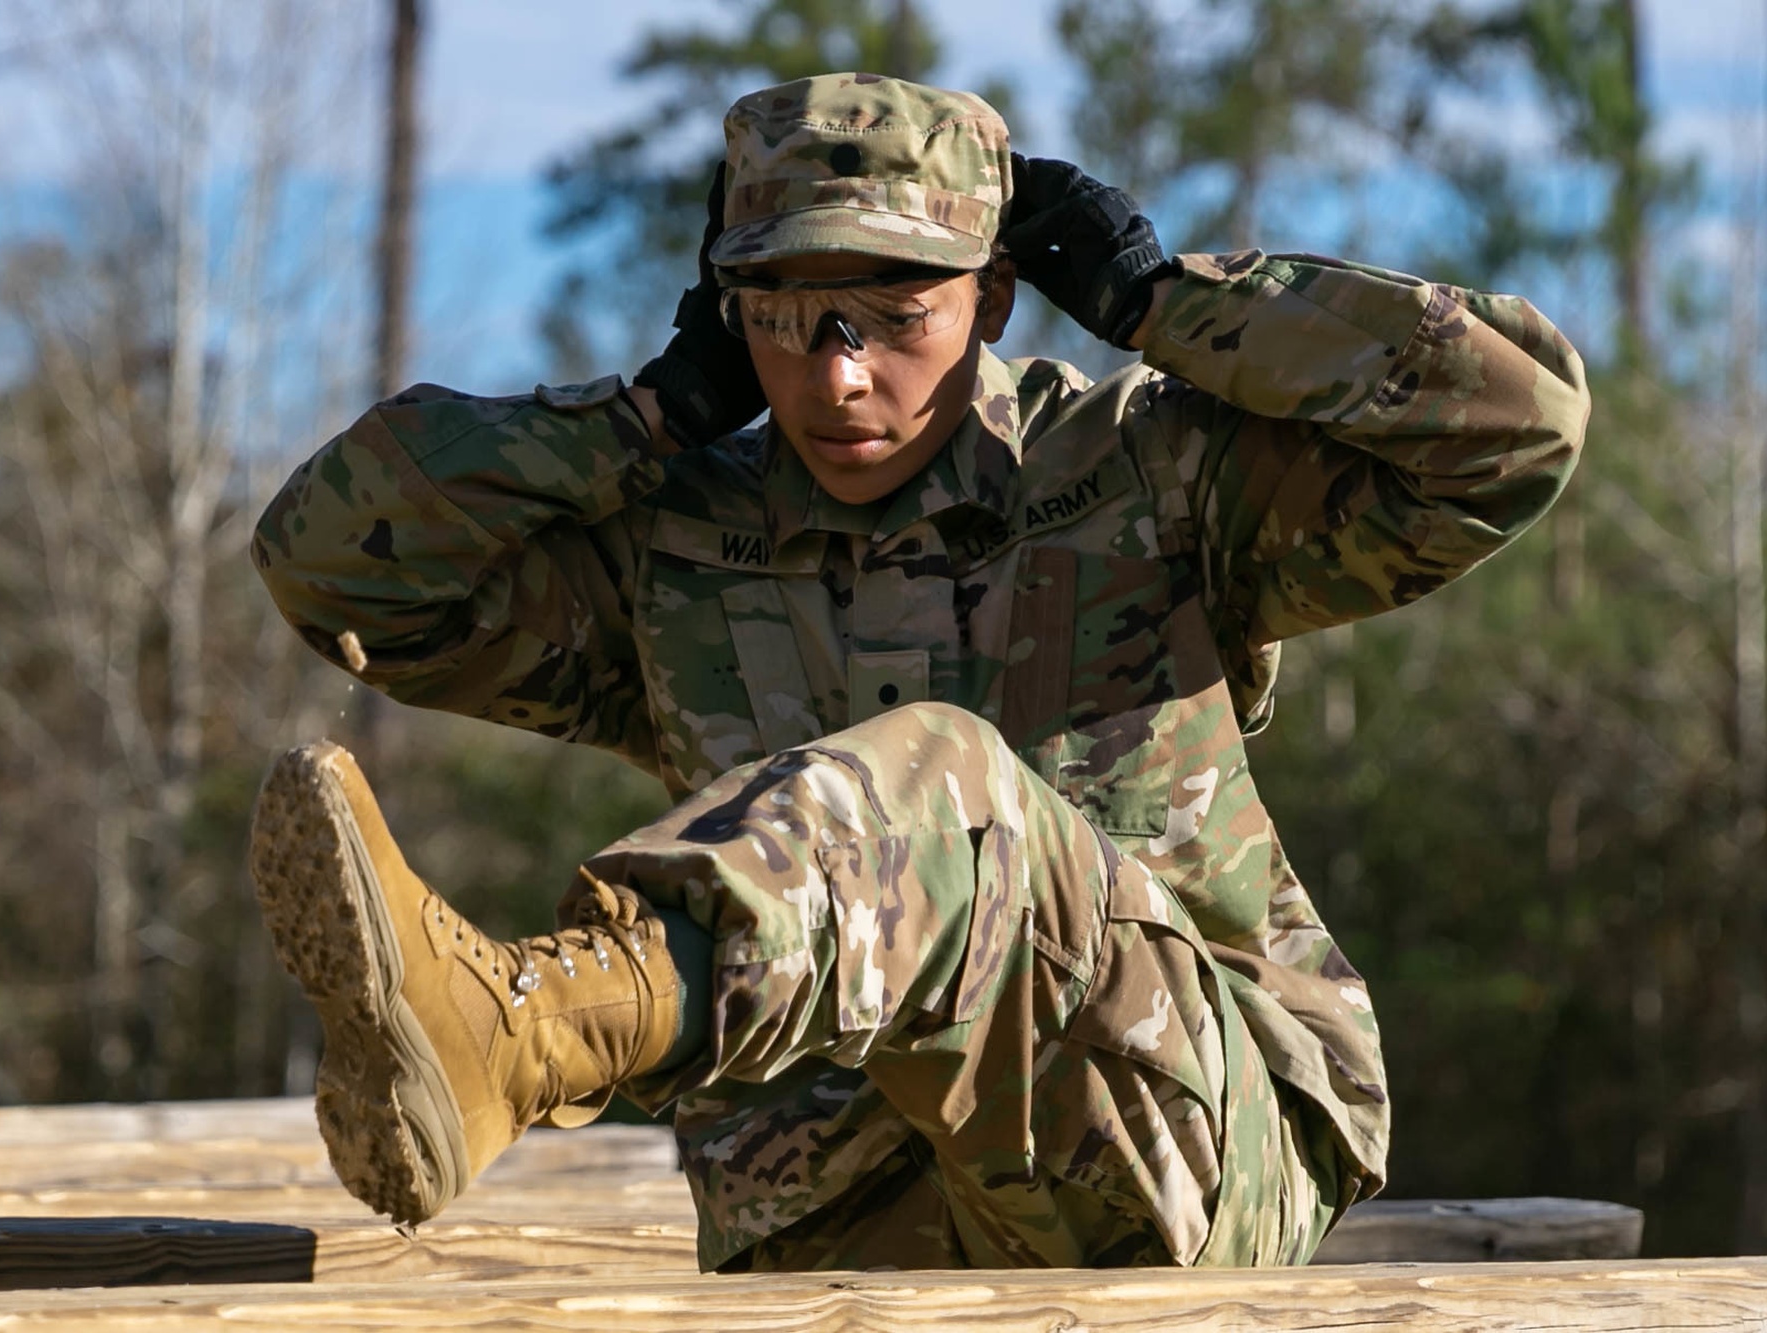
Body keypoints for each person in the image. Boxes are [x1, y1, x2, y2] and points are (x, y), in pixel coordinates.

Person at [247, 71, 1589, 1272]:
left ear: (993, 297)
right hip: (828, 1228)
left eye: (895, 314)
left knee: (943, 783)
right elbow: (331, 564)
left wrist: (1167, 303)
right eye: (785, 315)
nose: (836, 375)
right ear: (729, 319)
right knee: (921, 787)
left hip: (1175, 1143)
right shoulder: (676, 547)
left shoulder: (1146, 477)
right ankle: (516, 1032)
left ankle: (531, 1034)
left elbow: (1517, 429)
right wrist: (643, 418)